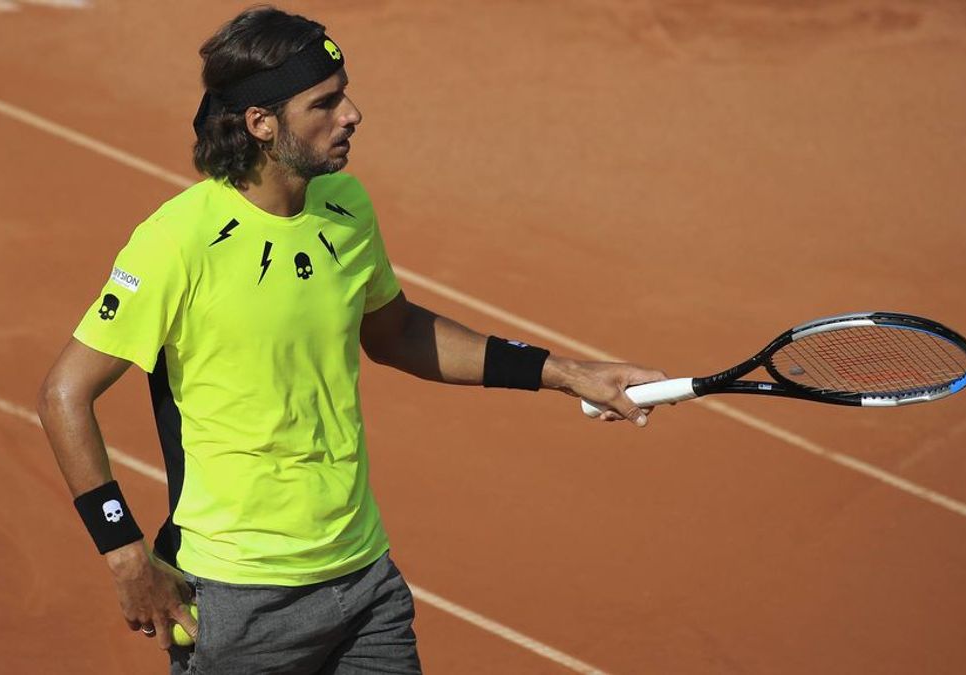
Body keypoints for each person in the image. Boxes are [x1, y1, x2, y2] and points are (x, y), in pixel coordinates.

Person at [37, 6, 664, 674]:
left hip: (362, 579)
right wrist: (125, 552)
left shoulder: (345, 205)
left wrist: (566, 372)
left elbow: (398, 332)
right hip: (239, 596)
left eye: (345, 93)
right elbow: (64, 394)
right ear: (261, 124)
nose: (352, 113)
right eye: (325, 103)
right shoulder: (178, 242)